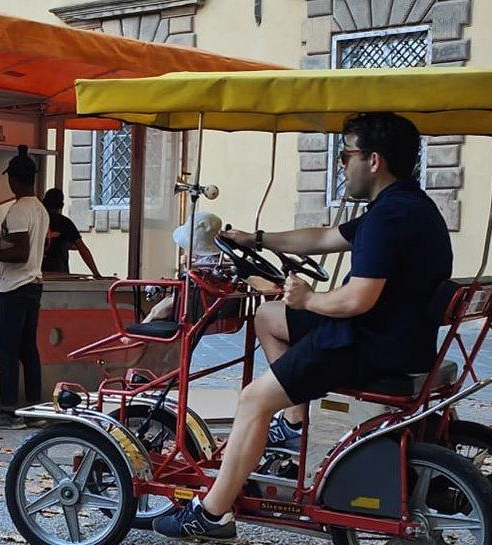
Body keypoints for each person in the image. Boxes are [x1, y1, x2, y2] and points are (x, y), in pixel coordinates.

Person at [155, 113, 452, 540]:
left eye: (346, 154)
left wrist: (308, 299)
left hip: (368, 342)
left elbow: (355, 300)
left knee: (254, 400)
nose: (341, 164)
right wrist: (256, 239)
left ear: (373, 160)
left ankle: (212, 513)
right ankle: (295, 422)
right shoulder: (405, 205)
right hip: (398, 335)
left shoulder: (390, 219)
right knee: (268, 316)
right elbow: (322, 238)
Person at [0, 145, 50, 430]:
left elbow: (19, 253)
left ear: (12, 180)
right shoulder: (40, 209)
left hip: (14, 287)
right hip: (33, 284)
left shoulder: (18, 210)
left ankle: (8, 412)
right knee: (28, 349)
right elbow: (33, 249)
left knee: (6, 349)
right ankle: (36, 409)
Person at [39, 188, 103, 278]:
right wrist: (96, 273)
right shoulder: (64, 223)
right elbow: (82, 248)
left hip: (38, 272)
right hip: (59, 273)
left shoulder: (37, 221)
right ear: (61, 205)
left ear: (43, 203)